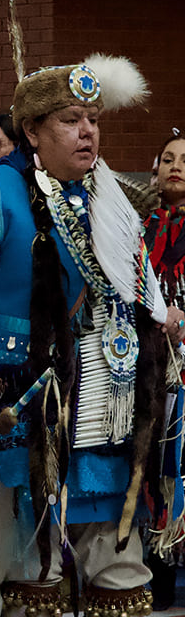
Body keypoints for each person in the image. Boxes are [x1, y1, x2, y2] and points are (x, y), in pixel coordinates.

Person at [0, 55, 185, 617]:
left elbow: (135, 294)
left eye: (92, 118)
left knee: (120, 573)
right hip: (19, 411)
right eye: (70, 119)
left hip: (107, 415)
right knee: (27, 573)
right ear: (33, 132)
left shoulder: (114, 201)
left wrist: (159, 322)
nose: (87, 130)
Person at [141, 129, 185, 610]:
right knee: (155, 462)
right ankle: (158, 570)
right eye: (167, 158)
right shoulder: (141, 231)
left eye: (184, 161)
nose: (175, 166)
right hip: (153, 366)